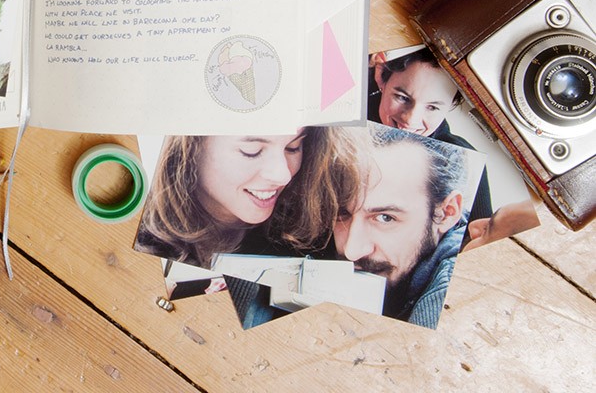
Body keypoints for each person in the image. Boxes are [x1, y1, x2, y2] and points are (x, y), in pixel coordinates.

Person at [134, 128, 354, 270]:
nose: (283, 175)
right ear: (191, 145)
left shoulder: (324, 228)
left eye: (293, 147)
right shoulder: (137, 227)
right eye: (252, 150)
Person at [333, 124, 469, 329]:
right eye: (342, 214)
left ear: (446, 213)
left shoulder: (451, 288)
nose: (351, 251)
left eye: (385, 218)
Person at [369, 47, 492, 222]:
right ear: (381, 76)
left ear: (450, 105)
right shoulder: (346, 108)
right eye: (402, 97)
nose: (410, 119)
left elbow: (480, 233)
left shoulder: (464, 159)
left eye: (432, 107)